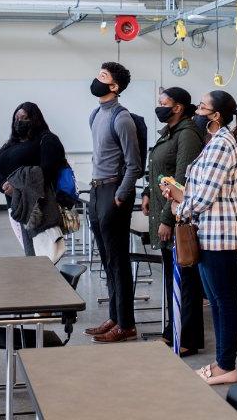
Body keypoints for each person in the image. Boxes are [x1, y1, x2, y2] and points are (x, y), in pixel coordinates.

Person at [163, 90, 237, 385]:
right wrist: (178, 195)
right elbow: (201, 192)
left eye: (201, 107)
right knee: (216, 299)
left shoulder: (222, 145)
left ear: (215, 116)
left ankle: (227, 366)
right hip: (209, 232)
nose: (195, 110)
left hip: (220, 235)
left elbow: (205, 197)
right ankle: (222, 363)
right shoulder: (214, 142)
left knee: (224, 301)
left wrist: (179, 207)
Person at [141, 87, 205, 356]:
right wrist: (146, 192)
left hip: (178, 219)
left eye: (163, 103)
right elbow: (157, 168)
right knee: (173, 278)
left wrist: (168, 218)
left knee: (186, 280)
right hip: (164, 212)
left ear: (177, 107)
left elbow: (181, 180)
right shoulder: (171, 132)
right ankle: (174, 330)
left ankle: (186, 337)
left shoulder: (187, 135)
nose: (159, 107)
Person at [84, 62, 141, 344]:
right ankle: (115, 316)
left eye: (102, 77)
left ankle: (126, 324)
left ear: (114, 87)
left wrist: (120, 195)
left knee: (118, 260)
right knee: (107, 259)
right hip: (96, 191)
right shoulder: (96, 114)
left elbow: (134, 165)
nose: (96, 80)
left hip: (113, 192)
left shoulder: (122, 118)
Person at [0, 102, 66, 255]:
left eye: (24, 118)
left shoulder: (47, 140)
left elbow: (47, 172)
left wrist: (17, 188)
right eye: (16, 118)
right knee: (30, 253)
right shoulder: (10, 144)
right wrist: (3, 184)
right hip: (15, 207)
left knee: (43, 255)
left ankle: (46, 279)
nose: (19, 122)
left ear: (35, 119)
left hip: (38, 207)